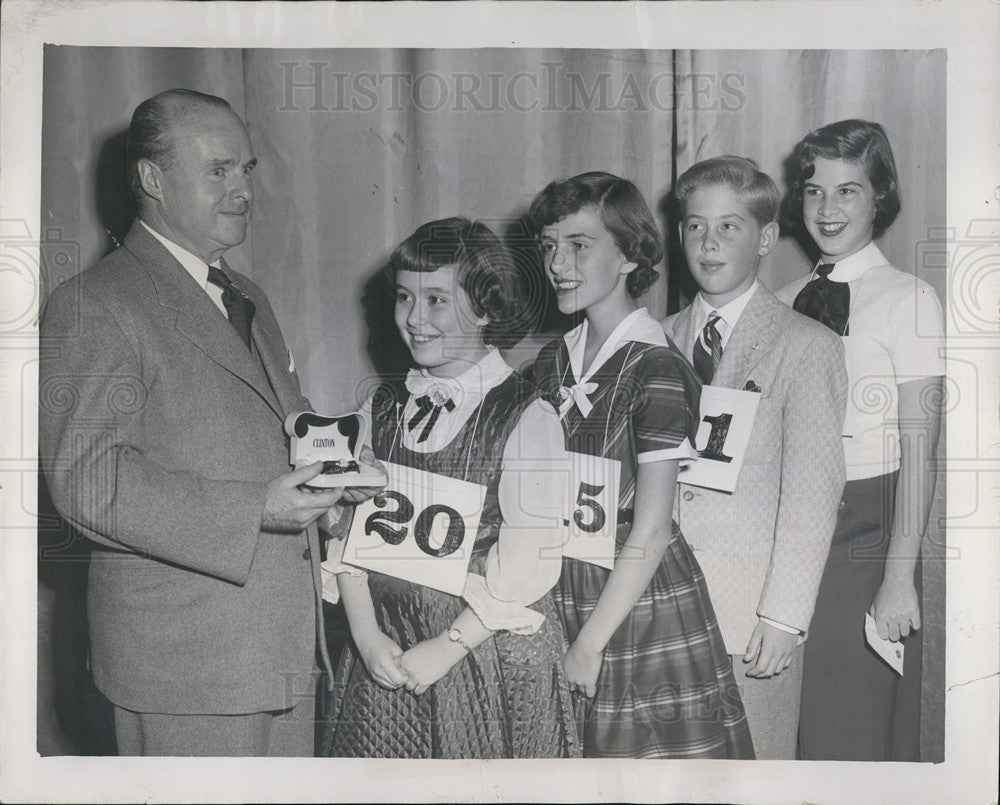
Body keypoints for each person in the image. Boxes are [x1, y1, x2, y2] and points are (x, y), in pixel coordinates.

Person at [38, 89, 353, 756]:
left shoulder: (246, 296)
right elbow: (88, 482)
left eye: (247, 169)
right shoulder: (94, 303)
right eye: (218, 171)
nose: (242, 189)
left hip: (282, 653)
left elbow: (276, 424)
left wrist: (337, 474)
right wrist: (259, 508)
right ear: (152, 180)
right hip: (186, 671)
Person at [321, 217, 579, 759]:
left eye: (437, 300)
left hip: (480, 654)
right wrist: (367, 638)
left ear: (485, 308)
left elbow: (531, 556)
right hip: (385, 649)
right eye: (404, 298)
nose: (414, 319)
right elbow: (346, 531)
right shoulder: (379, 410)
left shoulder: (526, 417)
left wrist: (448, 646)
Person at [529, 172, 755, 759]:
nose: (558, 262)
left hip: (634, 603)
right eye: (550, 246)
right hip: (561, 587)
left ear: (629, 254)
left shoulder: (656, 366)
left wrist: (590, 643)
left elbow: (652, 529)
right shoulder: (552, 360)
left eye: (579, 245)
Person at [661, 156, 847, 759]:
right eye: (694, 226)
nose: (708, 244)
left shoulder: (806, 345)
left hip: (750, 621)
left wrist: (784, 617)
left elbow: (812, 497)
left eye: (729, 227)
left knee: (757, 774)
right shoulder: (652, 341)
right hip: (654, 612)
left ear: (766, 238)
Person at [775, 119, 945, 761]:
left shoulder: (910, 299)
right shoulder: (786, 300)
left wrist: (899, 578)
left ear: (881, 196)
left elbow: (919, 449)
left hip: (866, 533)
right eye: (815, 190)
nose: (828, 207)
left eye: (848, 190)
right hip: (794, 528)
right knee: (794, 722)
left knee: (850, 727)